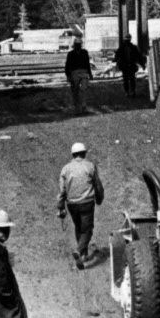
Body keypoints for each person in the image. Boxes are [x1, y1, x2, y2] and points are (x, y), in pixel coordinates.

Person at [57, 140, 105, 270]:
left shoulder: (65, 169)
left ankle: (83, 256)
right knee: (87, 230)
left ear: (73, 155)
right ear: (84, 153)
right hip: (86, 203)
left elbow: (62, 191)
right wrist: (99, 198)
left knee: (79, 228)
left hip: (72, 204)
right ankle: (79, 250)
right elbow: (97, 185)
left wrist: (60, 207)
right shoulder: (90, 166)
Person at [63, 36, 93, 113]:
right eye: (77, 45)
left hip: (83, 72)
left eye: (79, 45)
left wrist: (90, 74)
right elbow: (67, 65)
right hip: (75, 73)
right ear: (75, 45)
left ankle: (83, 106)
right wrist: (68, 75)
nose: (78, 46)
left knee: (83, 89)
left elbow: (87, 63)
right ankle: (77, 107)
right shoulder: (71, 54)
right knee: (75, 90)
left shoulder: (85, 52)